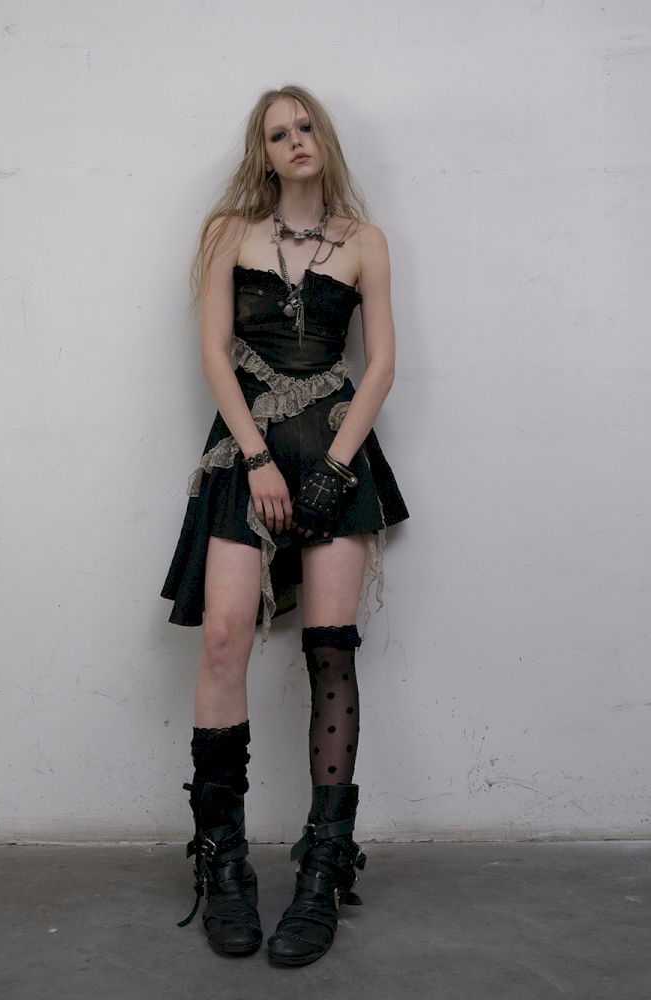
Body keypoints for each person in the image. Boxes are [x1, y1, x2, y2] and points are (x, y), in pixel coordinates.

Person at [161, 84, 409, 966]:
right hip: (249, 455)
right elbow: (213, 357)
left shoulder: (366, 242)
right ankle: (222, 864)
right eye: (278, 133)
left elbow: (380, 366)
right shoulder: (228, 234)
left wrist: (336, 468)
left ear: (323, 139)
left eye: (306, 127)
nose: (296, 139)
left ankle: (324, 866)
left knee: (329, 648)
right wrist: (259, 459)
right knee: (225, 636)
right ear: (262, 153)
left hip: (335, 449)